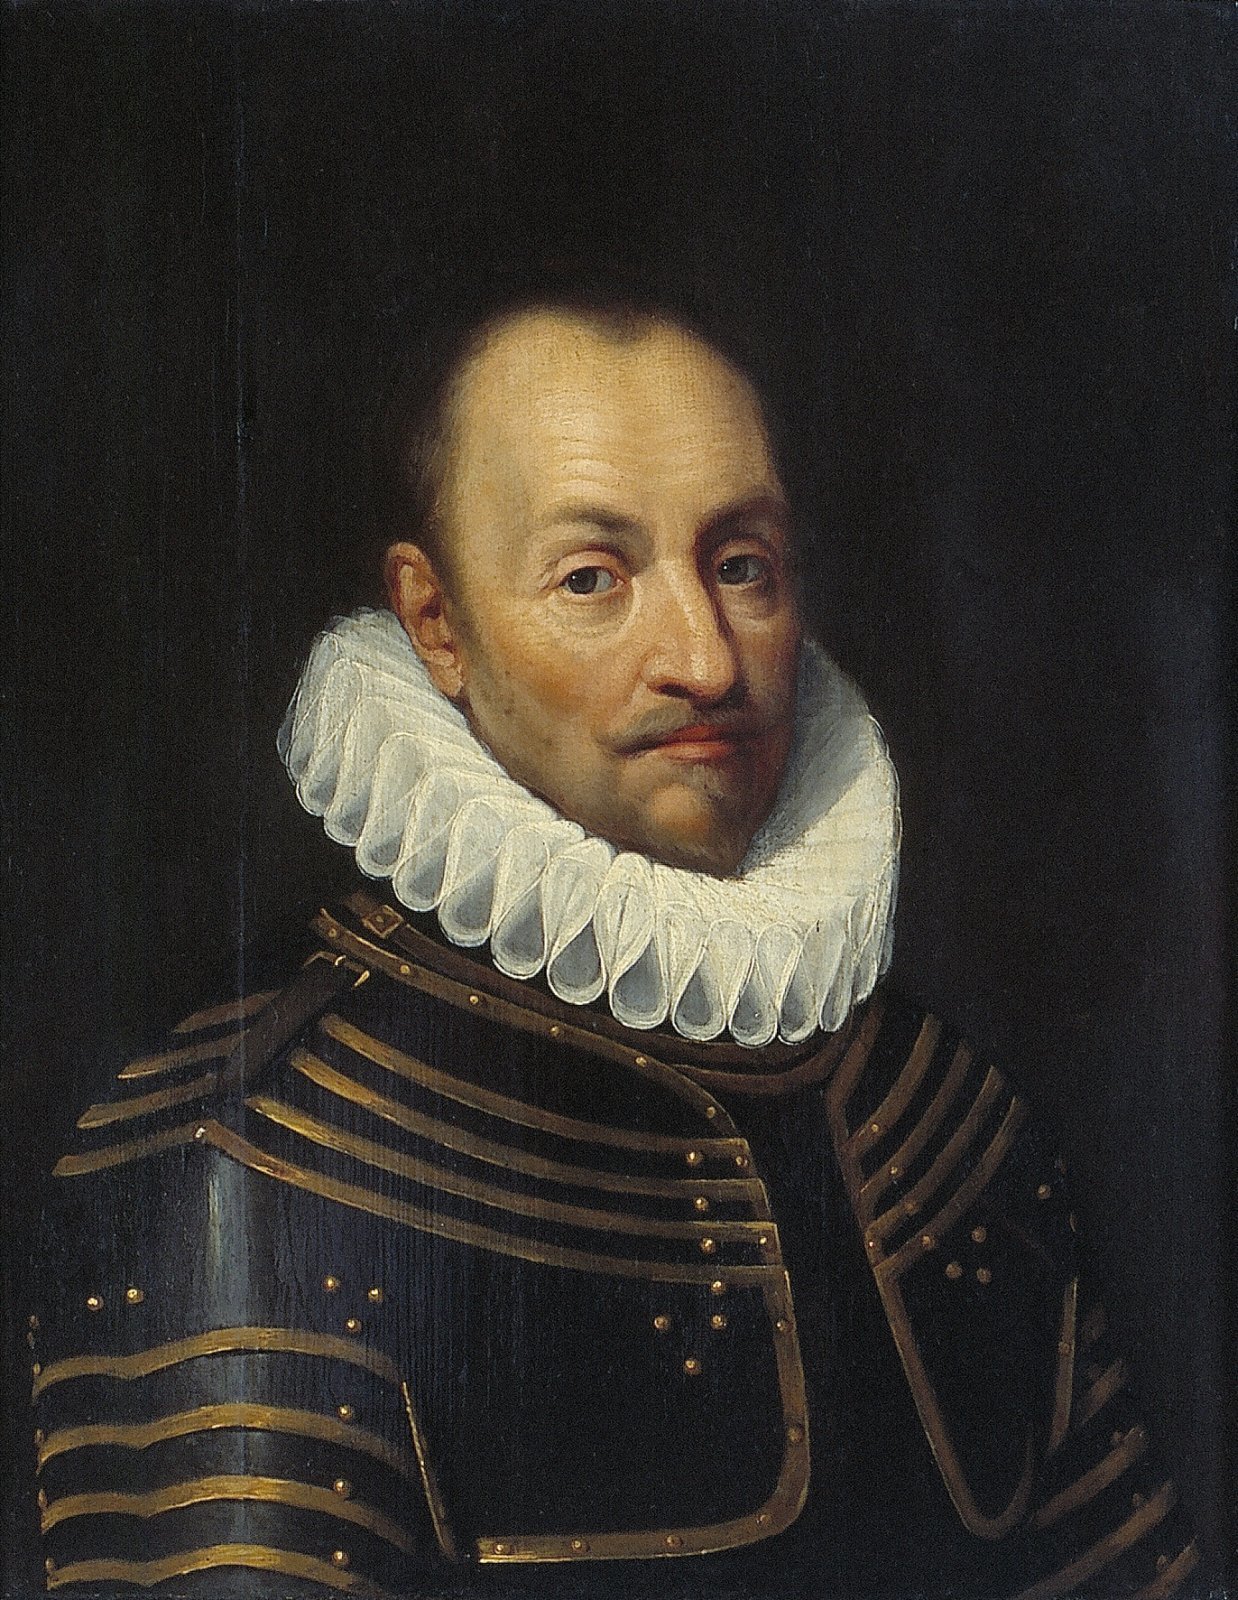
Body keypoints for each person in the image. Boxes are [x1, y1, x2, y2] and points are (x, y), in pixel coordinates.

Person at [30, 288, 1198, 1598]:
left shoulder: (946, 1126)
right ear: (436, 623)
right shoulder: (253, 1155)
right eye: (592, 578)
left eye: (740, 565)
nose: (706, 660)